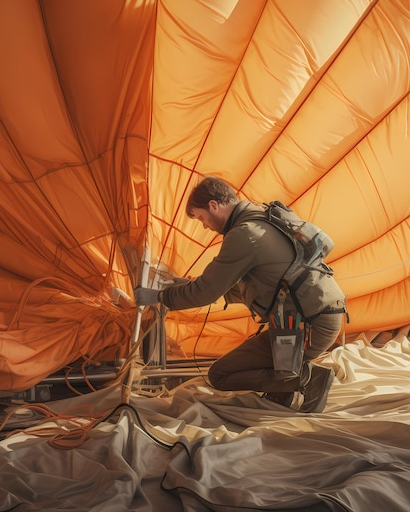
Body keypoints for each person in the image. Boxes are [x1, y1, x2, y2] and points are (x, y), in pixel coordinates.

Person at [135, 176, 347, 413]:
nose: (205, 226)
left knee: (220, 374)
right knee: (238, 365)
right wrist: (188, 286)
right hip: (315, 316)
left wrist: (159, 297)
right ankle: (282, 389)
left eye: (202, 218)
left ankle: (305, 378)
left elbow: (205, 292)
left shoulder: (243, 235)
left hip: (307, 326)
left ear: (214, 206)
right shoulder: (263, 216)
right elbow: (260, 284)